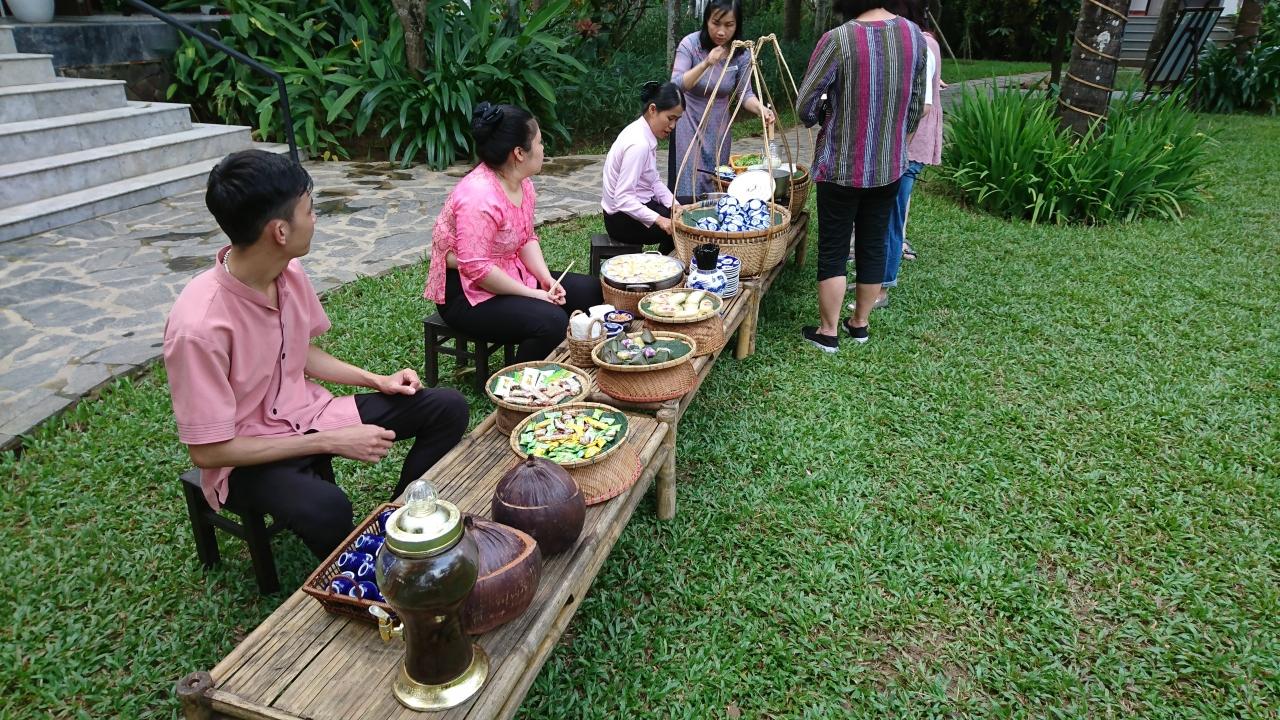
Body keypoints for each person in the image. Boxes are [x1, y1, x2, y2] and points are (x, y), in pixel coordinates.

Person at [163, 149, 468, 559]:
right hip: (245, 458)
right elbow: (208, 452)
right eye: (309, 210)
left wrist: (377, 380)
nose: (315, 219)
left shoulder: (287, 272)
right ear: (280, 231)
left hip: (306, 414)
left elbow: (300, 352)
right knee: (329, 509)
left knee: (447, 408)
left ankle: (396, 521)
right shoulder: (198, 327)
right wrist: (331, 441)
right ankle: (362, 566)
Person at [425, 102, 603, 363]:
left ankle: (579, 363)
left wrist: (545, 280)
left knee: (591, 290)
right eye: (539, 142)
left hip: (508, 273)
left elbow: (526, 238)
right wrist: (534, 294)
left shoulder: (523, 183)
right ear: (519, 152)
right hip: (466, 294)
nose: (543, 148)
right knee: (551, 321)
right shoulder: (478, 196)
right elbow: (477, 269)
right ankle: (518, 382)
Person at [797, 0, 926, 350]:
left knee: (834, 248)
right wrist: (895, 140)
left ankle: (828, 332)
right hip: (889, 166)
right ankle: (860, 324)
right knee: (874, 242)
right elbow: (916, 106)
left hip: (841, 164)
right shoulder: (913, 35)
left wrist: (824, 110)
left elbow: (805, 106)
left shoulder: (838, 39)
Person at [873, 0, 942, 309]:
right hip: (904, 145)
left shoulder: (920, 43)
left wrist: (899, 144)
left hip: (908, 146)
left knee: (891, 217)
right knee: (885, 215)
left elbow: (923, 105)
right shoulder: (919, 41)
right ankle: (875, 281)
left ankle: (882, 288)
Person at [669, 0, 776, 199]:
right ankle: (684, 216)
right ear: (706, 20)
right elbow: (675, 85)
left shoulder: (740, 53)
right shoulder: (690, 45)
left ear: (737, 25)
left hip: (719, 128)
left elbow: (746, 94)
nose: (721, 32)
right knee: (687, 184)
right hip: (689, 124)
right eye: (716, 23)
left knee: (717, 179)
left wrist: (761, 109)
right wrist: (706, 63)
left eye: (729, 25)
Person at [601, 81, 685, 254]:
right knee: (685, 225)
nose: (673, 126)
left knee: (688, 208)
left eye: (677, 120)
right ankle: (666, 264)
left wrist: (675, 205)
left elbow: (653, 181)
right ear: (653, 110)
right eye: (670, 118)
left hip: (632, 208)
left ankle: (664, 260)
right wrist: (660, 219)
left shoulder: (642, 132)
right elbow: (623, 198)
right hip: (621, 221)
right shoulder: (639, 144)